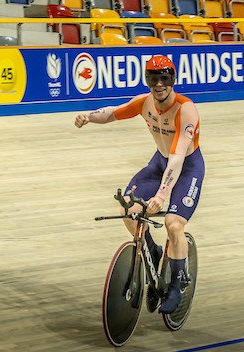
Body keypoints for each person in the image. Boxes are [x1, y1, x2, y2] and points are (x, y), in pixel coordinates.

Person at [74, 55, 205, 314]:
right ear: (147, 81)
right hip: (160, 162)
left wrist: (162, 194)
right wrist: (88, 117)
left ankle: (177, 285)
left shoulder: (185, 109)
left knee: (173, 223)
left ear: (172, 80)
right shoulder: (145, 103)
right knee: (127, 209)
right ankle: (153, 250)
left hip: (188, 166)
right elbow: (113, 113)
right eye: (153, 79)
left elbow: (178, 156)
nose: (159, 85)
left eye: (164, 79)